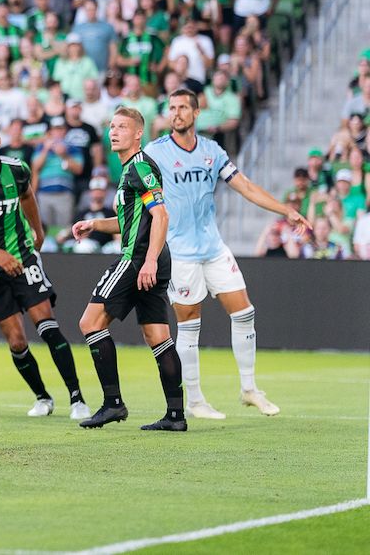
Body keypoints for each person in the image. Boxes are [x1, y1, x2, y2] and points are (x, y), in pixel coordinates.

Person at [144, 88, 306, 419]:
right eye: (172, 107)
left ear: (196, 113)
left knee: (244, 312)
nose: (176, 113)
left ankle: (249, 389)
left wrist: (285, 210)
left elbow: (244, 186)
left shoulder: (211, 151)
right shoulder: (155, 152)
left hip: (214, 247)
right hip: (180, 253)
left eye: (182, 108)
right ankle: (196, 399)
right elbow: (139, 197)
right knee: (189, 324)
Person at [0, 116, 87, 419]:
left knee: (47, 325)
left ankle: (78, 399)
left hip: (22, 257)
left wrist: (38, 232)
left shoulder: (17, 170)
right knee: (17, 340)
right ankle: (42, 397)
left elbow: (28, 198)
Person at [73, 106, 185, 432]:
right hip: (148, 256)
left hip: (138, 258)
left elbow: (161, 215)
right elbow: (132, 220)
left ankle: (113, 404)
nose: (113, 131)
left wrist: (148, 260)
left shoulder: (140, 166)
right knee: (157, 335)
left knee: (90, 322)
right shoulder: (127, 171)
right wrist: (96, 224)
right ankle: (175, 416)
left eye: (122, 126)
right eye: (111, 126)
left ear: (138, 133)